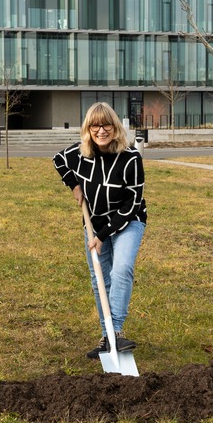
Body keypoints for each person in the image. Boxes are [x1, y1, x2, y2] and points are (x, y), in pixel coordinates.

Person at [53, 102, 147, 360]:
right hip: (93, 223)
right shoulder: (80, 154)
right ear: (88, 128)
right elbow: (58, 160)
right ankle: (106, 336)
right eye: (95, 125)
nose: (101, 130)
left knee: (121, 270)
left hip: (128, 222)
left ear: (115, 127)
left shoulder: (130, 158)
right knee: (100, 280)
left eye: (106, 124)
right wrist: (72, 185)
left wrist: (101, 236)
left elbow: (132, 204)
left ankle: (115, 333)